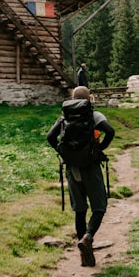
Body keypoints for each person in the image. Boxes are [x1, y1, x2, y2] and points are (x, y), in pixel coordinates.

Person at [46, 85, 116, 267]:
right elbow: (110, 131)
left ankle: (84, 257)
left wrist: (63, 153)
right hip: (91, 167)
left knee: (80, 210)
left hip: (72, 168)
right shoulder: (94, 115)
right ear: (89, 99)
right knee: (99, 207)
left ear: (72, 97)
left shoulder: (64, 117)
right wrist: (98, 150)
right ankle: (88, 237)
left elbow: (50, 137)